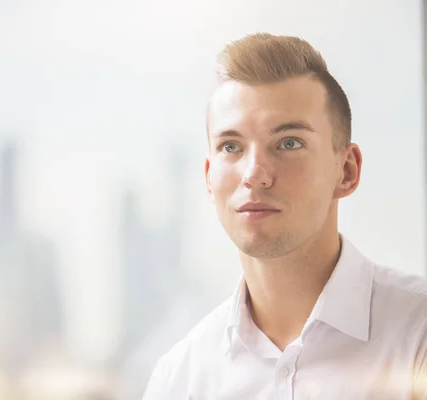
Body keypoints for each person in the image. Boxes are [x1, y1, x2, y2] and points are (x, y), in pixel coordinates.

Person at [142, 33, 427, 399]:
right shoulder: (178, 380)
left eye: (289, 142)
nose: (255, 173)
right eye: (232, 146)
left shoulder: (417, 334)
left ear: (347, 170)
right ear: (209, 179)